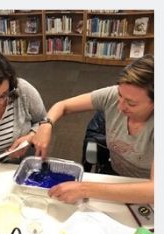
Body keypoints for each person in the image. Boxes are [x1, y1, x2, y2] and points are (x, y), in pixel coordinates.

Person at [32, 54, 154, 204]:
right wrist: (46, 124)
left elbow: (154, 191)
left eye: (131, 103)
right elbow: (63, 106)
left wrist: (84, 189)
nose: (120, 106)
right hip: (114, 175)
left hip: (144, 189)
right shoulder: (113, 96)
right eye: (120, 95)